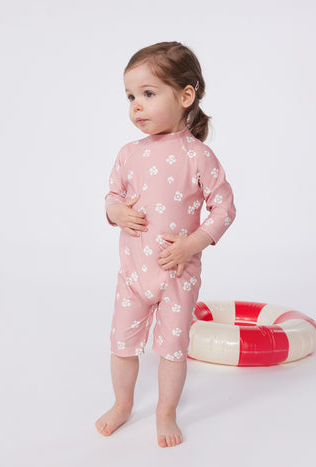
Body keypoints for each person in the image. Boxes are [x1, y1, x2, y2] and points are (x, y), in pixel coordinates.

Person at [96, 41, 236, 448]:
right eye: (130, 97)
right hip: (133, 274)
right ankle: (122, 404)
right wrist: (115, 212)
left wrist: (192, 244)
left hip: (177, 273)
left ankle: (166, 412)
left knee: (173, 350)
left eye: (148, 93)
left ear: (185, 96)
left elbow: (224, 209)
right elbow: (112, 195)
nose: (136, 105)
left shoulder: (199, 156)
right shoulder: (128, 154)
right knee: (122, 344)